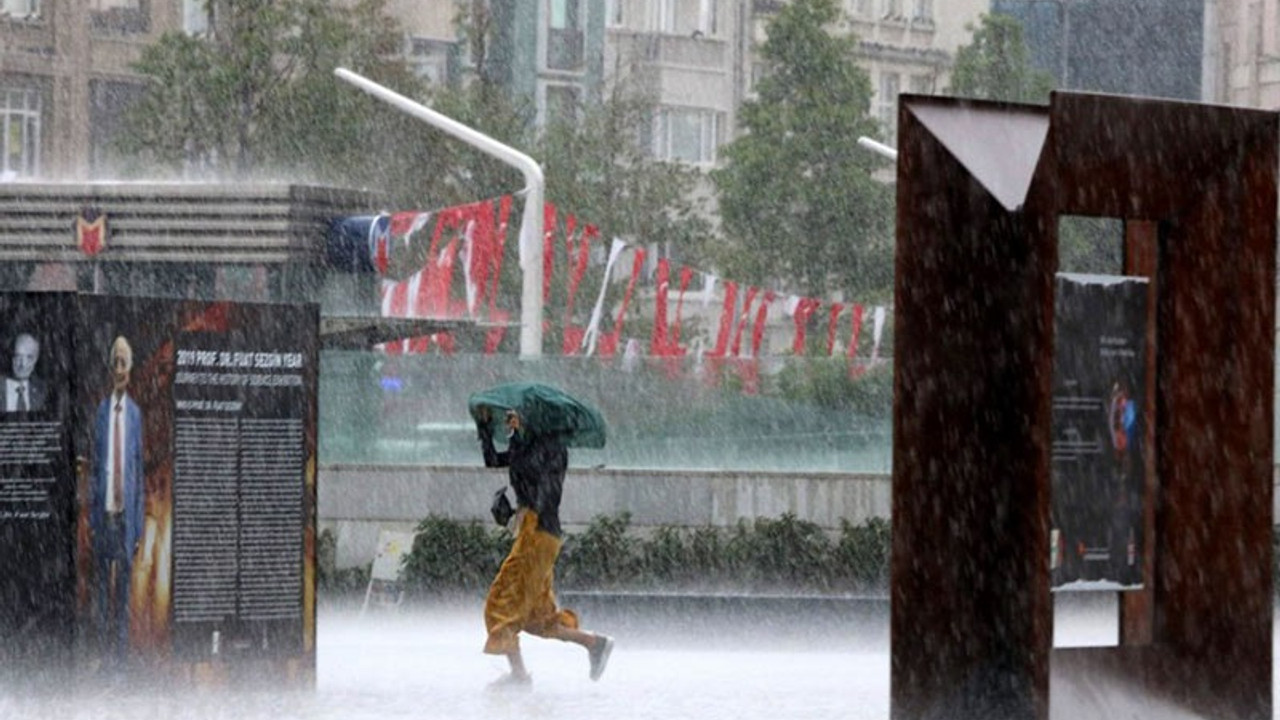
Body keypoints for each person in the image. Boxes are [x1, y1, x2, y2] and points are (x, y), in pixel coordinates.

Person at [477, 407, 614, 687]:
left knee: (501, 602)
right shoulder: (534, 446)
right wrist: (486, 428)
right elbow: (494, 460)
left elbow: (539, 485)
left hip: (537, 535)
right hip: (535, 532)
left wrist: (516, 437)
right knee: (537, 615)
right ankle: (594, 644)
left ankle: (519, 676)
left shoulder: (551, 450)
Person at [89, 335, 144, 659]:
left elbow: (139, 473)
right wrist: (94, 519)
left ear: (131, 369)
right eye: (116, 362)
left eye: (125, 362)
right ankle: (100, 656)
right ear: (110, 369)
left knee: (122, 596)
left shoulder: (136, 415)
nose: (120, 368)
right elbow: (95, 468)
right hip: (105, 519)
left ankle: (119, 663)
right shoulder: (100, 412)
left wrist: (138, 527)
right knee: (100, 595)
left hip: (125, 522)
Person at [4, 332, 45, 412]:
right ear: (11, 358)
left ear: (35, 360)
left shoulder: (43, 393)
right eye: (18, 356)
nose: (23, 364)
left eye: (29, 358)